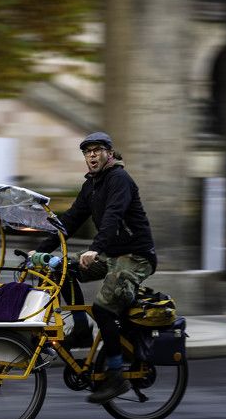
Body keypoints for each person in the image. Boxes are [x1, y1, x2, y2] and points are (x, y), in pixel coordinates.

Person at [33, 131, 156, 404]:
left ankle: (116, 375)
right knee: (59, 269)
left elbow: (113, 216)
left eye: (97, 150)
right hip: (110, 254)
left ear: (109, 153)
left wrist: (95, 249)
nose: (91, 155)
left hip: (135, 256)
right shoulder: (91, 185)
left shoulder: (119, 180)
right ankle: (81, 330)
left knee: (103, 308)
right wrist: (39, 252)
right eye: (87, 151)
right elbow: (70, 220)